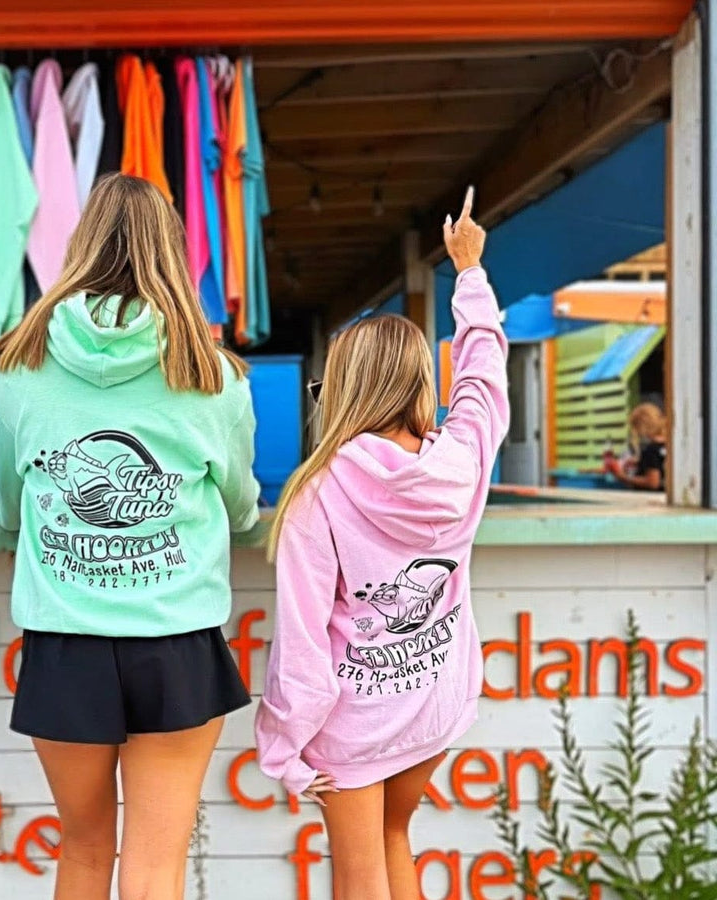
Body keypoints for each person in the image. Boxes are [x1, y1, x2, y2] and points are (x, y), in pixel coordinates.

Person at [0, 173, 260, 900]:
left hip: (65, 640)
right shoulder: (212, 373)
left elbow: (8, 506)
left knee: (81, 850)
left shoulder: (15, 366)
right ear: (173, 252)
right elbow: (238, 506)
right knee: (155, 867)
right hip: (176, 642)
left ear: (79, 247)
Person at [254, 188, 508, 900]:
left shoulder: (316, 493)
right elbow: (485, 378)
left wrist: (283, 748)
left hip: (355, 724)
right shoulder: (462, 458)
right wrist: (471, 272)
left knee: (358, 880)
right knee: (398, 842)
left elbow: (304, 651)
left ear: (341, 389)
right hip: (434, 702)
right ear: (419, 384)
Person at [604, 402, 667, 491]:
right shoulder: (668, 445)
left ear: (642, 427)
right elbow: (660, 464)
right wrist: (640, 462)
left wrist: (623, 477)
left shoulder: (650, 450)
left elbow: (653, 483)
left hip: (649, 499)